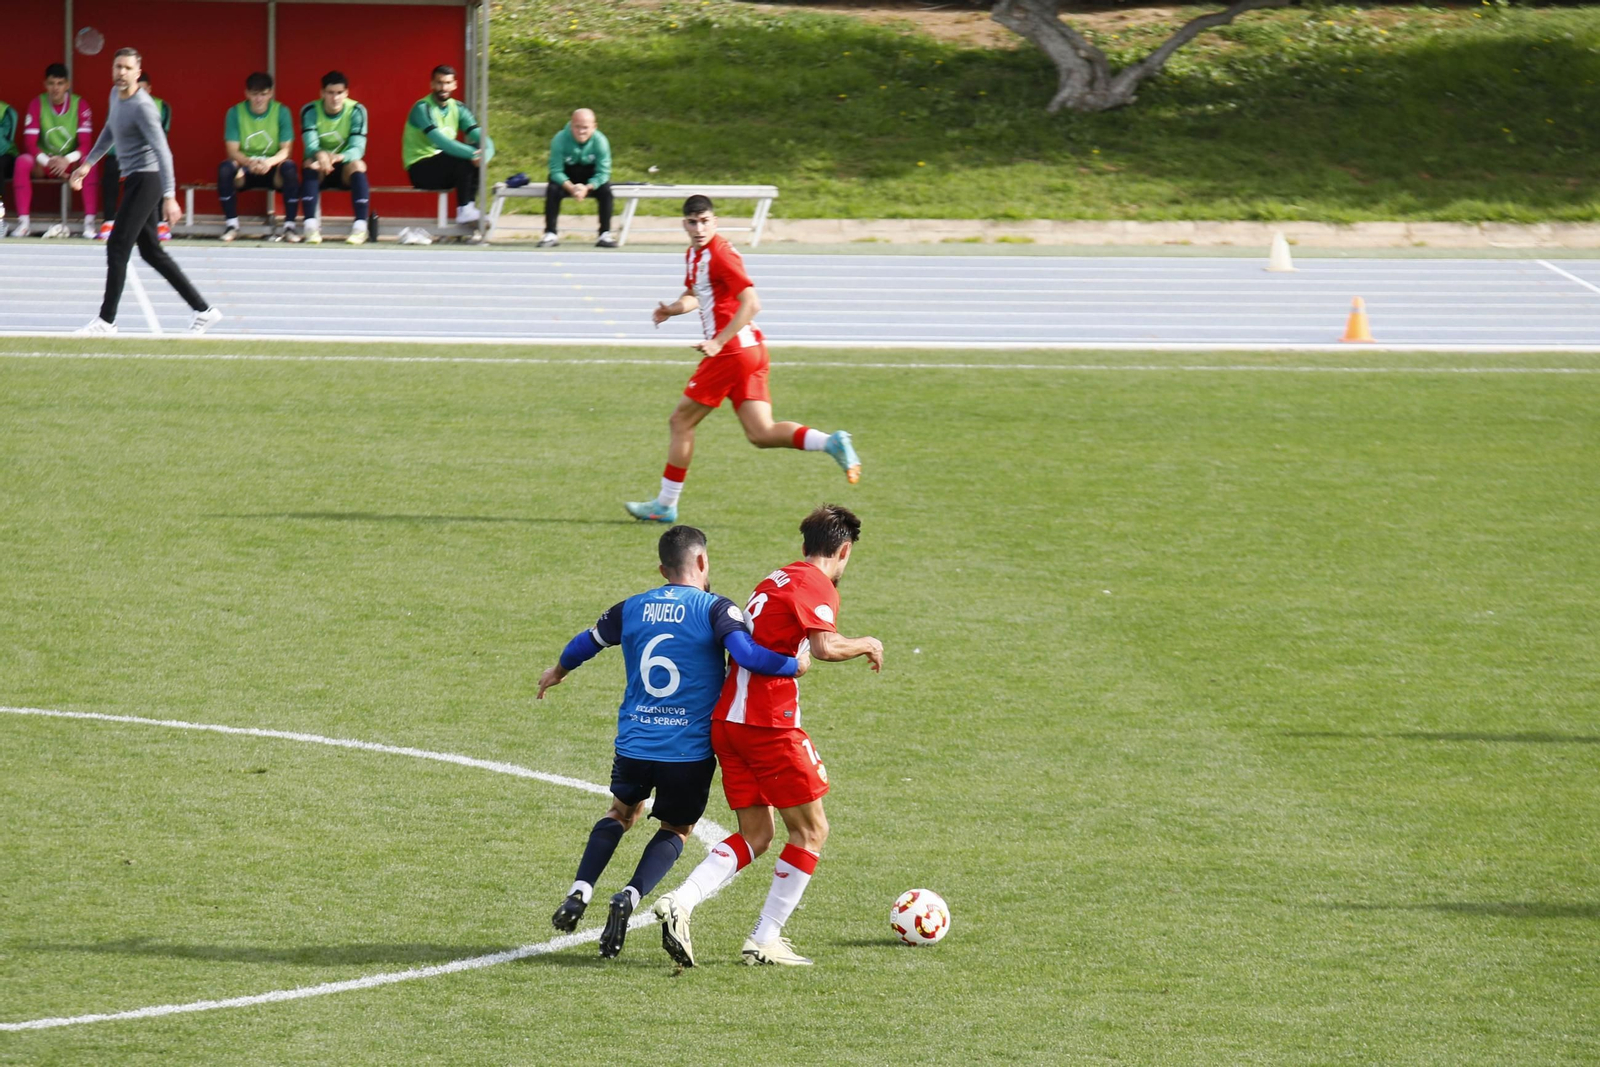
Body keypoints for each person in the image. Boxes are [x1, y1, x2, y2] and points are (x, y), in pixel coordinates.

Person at [535, 525, 808, 959]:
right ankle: (629, 895)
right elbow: (748, 656)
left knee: (621, 813)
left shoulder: (632, 607)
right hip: (689, 751)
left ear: (662, 569)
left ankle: (580, 891)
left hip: (634, 745)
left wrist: (558, 671)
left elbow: (586, 643)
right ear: (701, 561)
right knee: (676, 829)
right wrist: (794, 663)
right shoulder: (716, 609)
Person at [652, 504, 882, 967]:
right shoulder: (815, 584)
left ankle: (680, 901)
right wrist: (867, 644)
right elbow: (823, 646)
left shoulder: (776, 578)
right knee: (812, 830)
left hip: (729, 725)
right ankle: (764, 938)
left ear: (803, 546)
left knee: (757, 834)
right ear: (843, 550)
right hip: (768, 726)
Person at [625, 195, 861, 524]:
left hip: (732, 350)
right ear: (684, 224)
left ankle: (665, 504)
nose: (698, 228)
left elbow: (751, 302)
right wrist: (672, 309)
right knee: (761, 433)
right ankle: (830, 442)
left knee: (681, 422)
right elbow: (696, 295)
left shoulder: (719, 253)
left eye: (704, 221)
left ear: (715, 221)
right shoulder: (695, 255)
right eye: (692, 222)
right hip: (751, 349)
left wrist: (718, 342)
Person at [69, 48, 221, 337]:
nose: (121, 73)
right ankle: (204, 311)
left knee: (117, 245)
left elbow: (164, 151)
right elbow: (109, 131)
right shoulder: (115, 97)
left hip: (148, 180)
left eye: (127, 68)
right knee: (151, 251)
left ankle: (106, 321)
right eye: (117, 67)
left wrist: (169, 195)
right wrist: (87, 164)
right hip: (136, 179)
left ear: (138, 73)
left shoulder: (143, 106)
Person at [12, 64, 99, 239]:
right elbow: (30, 143)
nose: (55, 88)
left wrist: (66, 160)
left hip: (69, 164)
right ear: (45, 84)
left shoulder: (80, 105)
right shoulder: (37, 103)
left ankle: (89, 224)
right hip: (44, 163)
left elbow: (85, 144)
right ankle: (24, 224)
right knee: (22, 161)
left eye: (60, 83)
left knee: (90, 162)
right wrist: (48, 161)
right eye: (51, 83)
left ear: (67, 84)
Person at [404, 65, 493, 227]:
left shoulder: (458, 107)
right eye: (439, 83)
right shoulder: (422, 108)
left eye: (447, 83)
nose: (443, 88)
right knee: (465, 155)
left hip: (444, 166)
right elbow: (442, 142)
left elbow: (482, 138)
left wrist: (486, 154)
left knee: (474, 149)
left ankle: (469, 208)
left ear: (454, 85)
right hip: (420, 169)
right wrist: (473, 154)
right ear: (432, 84)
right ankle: (465, 210)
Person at [218, 71, 301, 242]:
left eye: (263, 94)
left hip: (272, 168)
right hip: (246, 168)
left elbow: (286, 150)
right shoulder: (235, 112)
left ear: (270, 93)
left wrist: (268, 162)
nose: (259, 99)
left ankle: (290, 226)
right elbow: (232, 150)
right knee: (226, 168)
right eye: (255, 94)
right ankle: (232, 225)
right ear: (247, 93)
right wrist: (249, 162)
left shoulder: (281, 111)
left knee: (290, 167)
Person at [299, 70, 370, 245]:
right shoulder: (310, 110)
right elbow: (310, 145)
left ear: (346, 93)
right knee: (310, 163)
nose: (335, 98)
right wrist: (320, 155)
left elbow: (358, 148)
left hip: (343, 166)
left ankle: (361, 227)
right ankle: (310, 226)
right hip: (320, 167)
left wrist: (337, 157)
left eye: (339, 93)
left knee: (359, 165)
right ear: (322, 93)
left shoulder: (357, 110)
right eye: (330, 93)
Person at [99, 72, 171, 242]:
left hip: (147, 159)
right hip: (122, 155)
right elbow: (112, 134)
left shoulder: (159, 107)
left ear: (150, 90)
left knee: (157, 168)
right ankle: (109, 221)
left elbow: (160, 142)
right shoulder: (118, 101)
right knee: (110, 167)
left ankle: (160, 222)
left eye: (144, 89)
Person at [539, 108, 616, 249]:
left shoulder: (601, 141)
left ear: (594, 127)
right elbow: (555, 171)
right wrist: (571, 188)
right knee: (553, 189)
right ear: (571, 125)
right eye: (577, 127)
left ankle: (605, 233)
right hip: (567, 176)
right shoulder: (560, 139)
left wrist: (587, 188)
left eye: (585, 128)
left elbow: (603, 173)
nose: (581, 131)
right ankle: (550, 233)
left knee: (606, 191)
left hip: (590, 177)